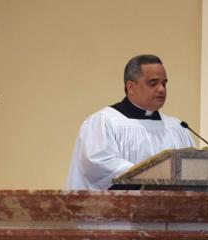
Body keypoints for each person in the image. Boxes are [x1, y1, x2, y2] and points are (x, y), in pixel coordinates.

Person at [66, 54, 195, 189]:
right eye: (153, 83)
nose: (161, 89)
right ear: (131, 87)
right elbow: (98, 164)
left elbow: (192, 170)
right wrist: (151, 174)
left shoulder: (176, 127)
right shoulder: (104, 121)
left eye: (164, 83)